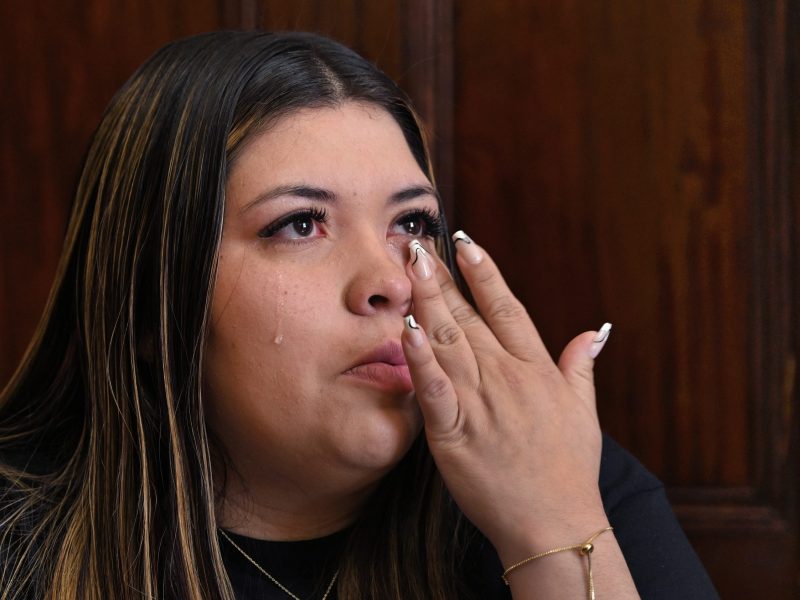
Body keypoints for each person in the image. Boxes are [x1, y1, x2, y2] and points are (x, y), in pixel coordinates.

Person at [0, 31, 717, 599]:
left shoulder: (559, 472)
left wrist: (554, 530)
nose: (393, 282)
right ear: (148, 303)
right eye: (300, 224)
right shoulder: (18, 539)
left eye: (412, 223)